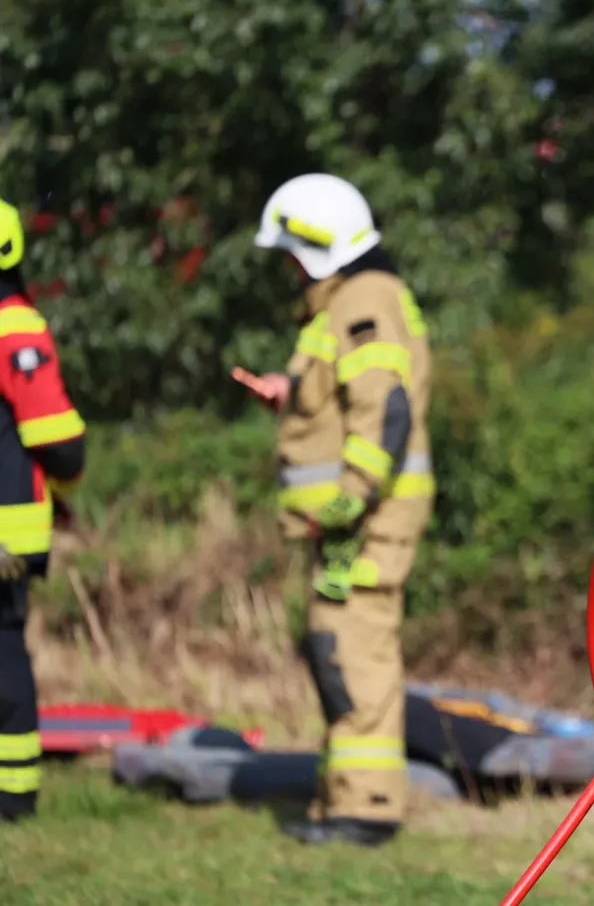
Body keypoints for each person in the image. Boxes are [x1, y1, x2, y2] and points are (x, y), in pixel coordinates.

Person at [245, 173, 435, 847]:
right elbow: (351, 394)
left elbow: (385, 408)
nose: (290, 271)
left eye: (291, 257)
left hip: (364, 522)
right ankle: (347, 801)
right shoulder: (351, 303)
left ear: (316, 248)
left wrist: (352, 497)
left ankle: (367, 808)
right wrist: (290, 393)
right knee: (338, 652)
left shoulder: (363, 301)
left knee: (353, 655)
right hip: (351, 524)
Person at [0, 196, 87, 822]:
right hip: (7, 532)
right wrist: (66, 490)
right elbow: (57, 439)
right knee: (3, 651)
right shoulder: (13, 325)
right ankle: (12, 795)